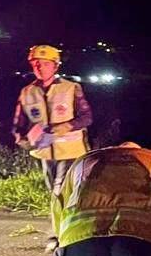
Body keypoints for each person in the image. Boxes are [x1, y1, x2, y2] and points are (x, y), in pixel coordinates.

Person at [13, 45, 93, 195]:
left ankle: (64, 216)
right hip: (43, 150)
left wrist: (67, 126)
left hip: (70, 151)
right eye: (36, 64)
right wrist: (21, 139)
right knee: (53, 191)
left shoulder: (71, 88)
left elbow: (87, 117)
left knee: (61, 190)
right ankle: (61, 216)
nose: (40, 68)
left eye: (46, 64)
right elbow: (19, 123)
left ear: (55, 66)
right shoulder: (27, 92)